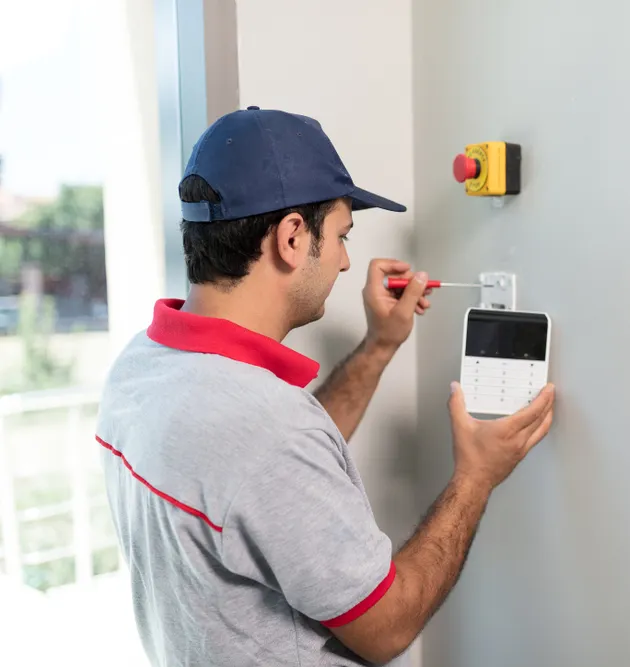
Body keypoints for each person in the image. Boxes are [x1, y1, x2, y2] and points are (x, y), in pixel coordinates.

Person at [95, 106, 555, 667]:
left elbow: (260, 488)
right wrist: (476, 478)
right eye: (340, 235)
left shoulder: (142, 366)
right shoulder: (268, 428)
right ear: (291, 237)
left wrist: (379, 346)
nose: (343, 262)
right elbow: (387, 627)